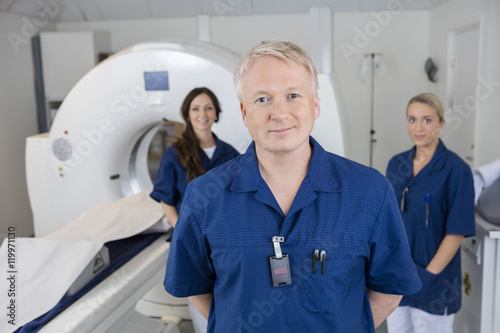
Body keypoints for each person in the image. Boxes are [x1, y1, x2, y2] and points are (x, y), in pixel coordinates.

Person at [164, 40, 421, 332]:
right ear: (244, 112)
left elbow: (389, 288)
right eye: (263, 99)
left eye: (293, 95)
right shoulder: (204, 197)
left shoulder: (370, 191)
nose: (279, 113)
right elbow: (196, 287)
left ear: (315, 104)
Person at [150, 87, 240, 333]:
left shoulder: (230, 153)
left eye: (209, 107)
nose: (203, 113)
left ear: (216, 113)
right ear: (187, 114)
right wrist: (183, 233)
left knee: (229, 296)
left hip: (225, 238)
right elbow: (166, 199)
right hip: (191, 239)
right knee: (202, 302)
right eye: (196, 108)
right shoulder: (175, 153)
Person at [385, 93, 475, 333]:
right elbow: (388, 220)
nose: (418, 127)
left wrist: (425, 277)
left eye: (427, 120)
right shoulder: (397, 164)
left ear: (441, 124)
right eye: (412, 119)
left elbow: (456, 232)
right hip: (399, 279)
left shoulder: (456, 170)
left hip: (435, 284)